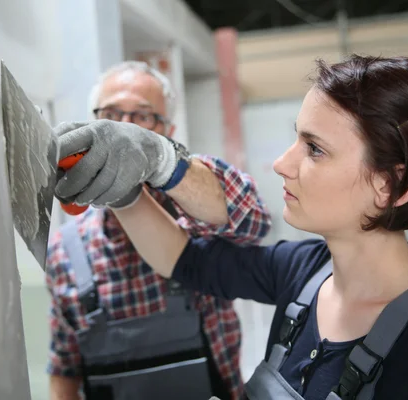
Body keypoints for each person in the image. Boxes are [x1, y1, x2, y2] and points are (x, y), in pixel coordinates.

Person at [54, 55, 408, 399]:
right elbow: (184, 259)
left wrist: (162, 159)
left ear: (392, 185)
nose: (281, 163)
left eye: (314, 149)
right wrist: (124, 187)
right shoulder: (303, 273)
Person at [45, 61, 272, 400]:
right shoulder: (65, 251)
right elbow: (64, 371)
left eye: (144, 117)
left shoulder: (197, 219)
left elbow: (253, 220)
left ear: (169, 130)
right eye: (111, 113)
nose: (125, 127)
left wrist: (163, 160)